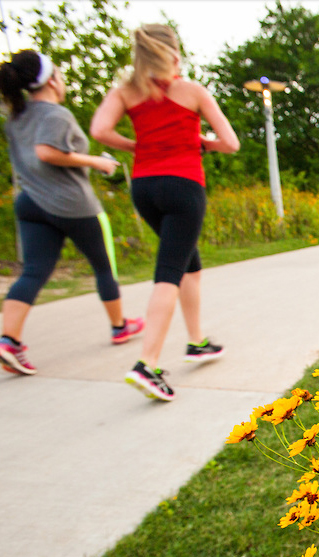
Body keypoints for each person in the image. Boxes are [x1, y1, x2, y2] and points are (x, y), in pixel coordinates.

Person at [91, 24, 239, 402]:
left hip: (144, 188)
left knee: (190, 264)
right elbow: (231, 143)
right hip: (183, 186)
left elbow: (99, 130)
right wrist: (201, 142)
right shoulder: (191, 91)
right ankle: (147, 364)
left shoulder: (126, 91)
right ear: (174, 54)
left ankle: (196, 341)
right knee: (169, 272)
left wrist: (137, 147)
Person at [0, 50, 144, 376]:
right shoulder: (55, 115)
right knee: (103, 266)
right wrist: (96, 162)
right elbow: (46, 153)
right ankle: (119, 326)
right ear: (52, 79)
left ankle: (8, 340)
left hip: (30, 202)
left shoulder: (17, 116)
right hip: (72, 204)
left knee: (33, 272)